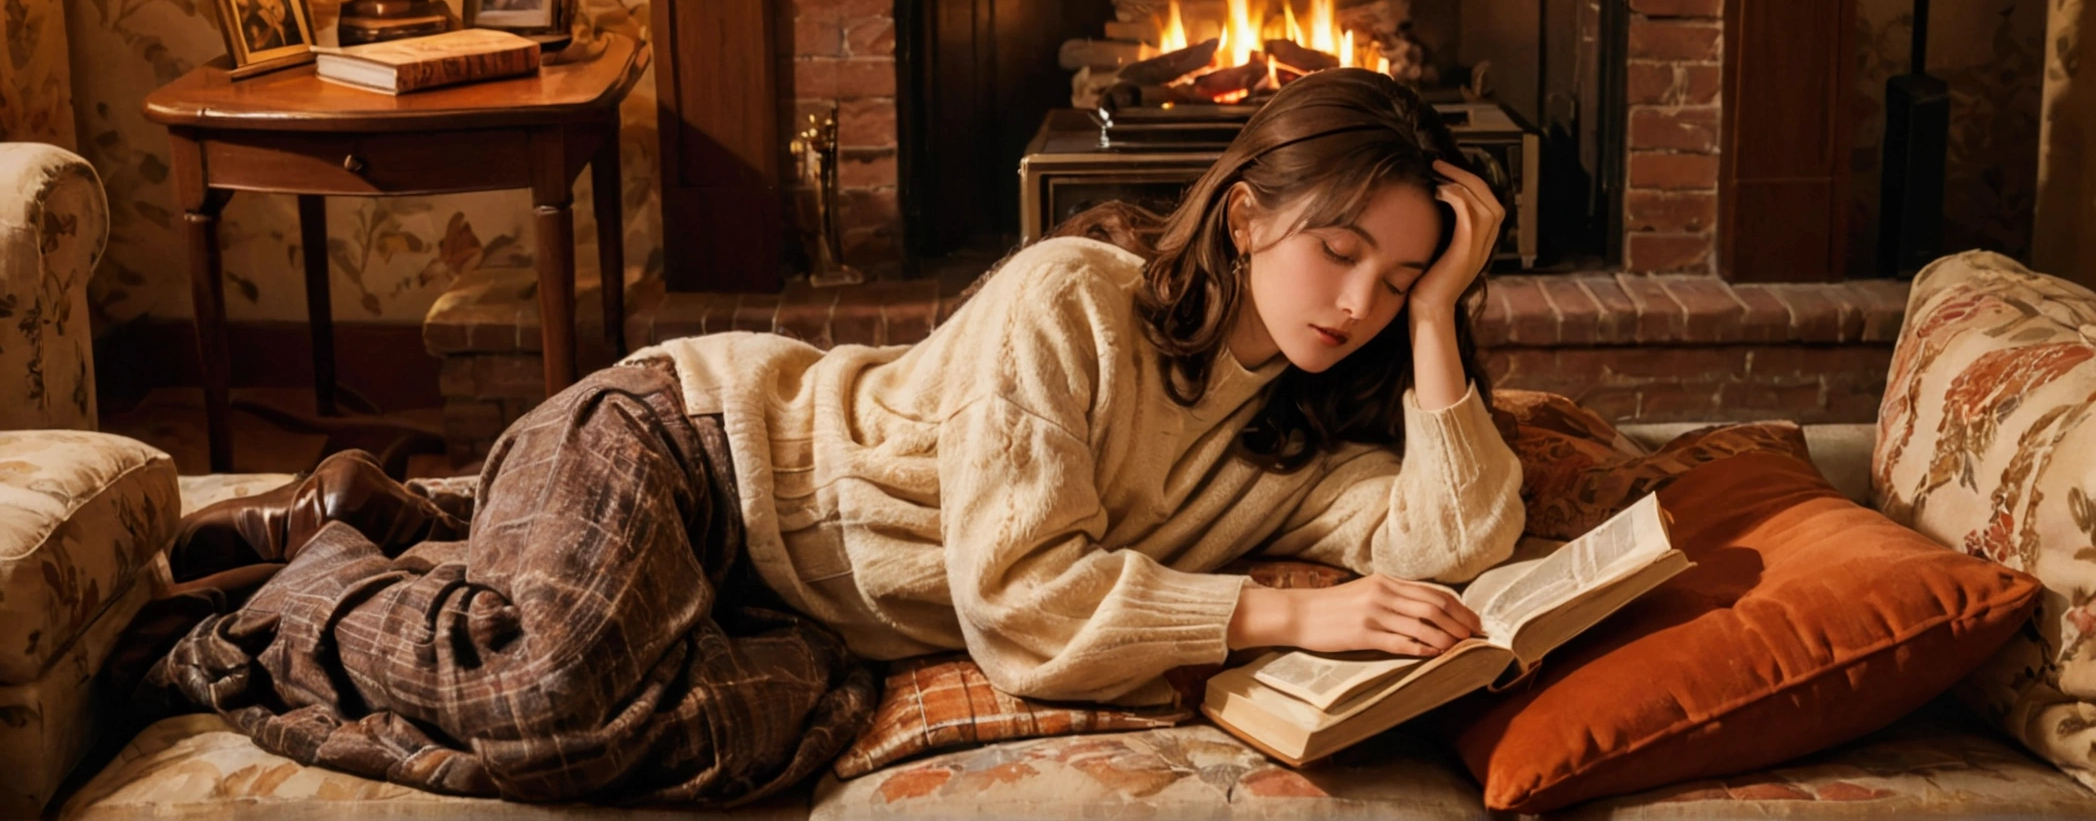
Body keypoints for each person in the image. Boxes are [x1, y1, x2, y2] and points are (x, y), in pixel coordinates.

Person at [151, 68, 1522, 805]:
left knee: (739, 751)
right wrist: (1285, 623)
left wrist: (1440, 313)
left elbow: (1460, 539)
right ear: (1245, 216)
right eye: (1339, 251)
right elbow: (1021, 603)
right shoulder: (1074, 298)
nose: (1356, 300)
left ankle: (424, 520)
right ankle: (307, 582)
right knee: (554, 690)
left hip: (793, 611)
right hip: (693, 442)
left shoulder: (1295, 436)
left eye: (1395, 278)